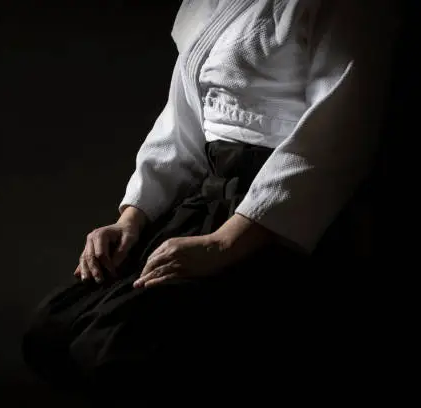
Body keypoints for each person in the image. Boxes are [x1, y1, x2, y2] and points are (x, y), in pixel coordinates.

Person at [23, 0, 397, 403]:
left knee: (118, 346)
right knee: (53, 329)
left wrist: (225, 243)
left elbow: (337, 138)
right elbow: (183, 119)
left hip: (277, 218)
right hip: (211, 194)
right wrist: (134, 215)